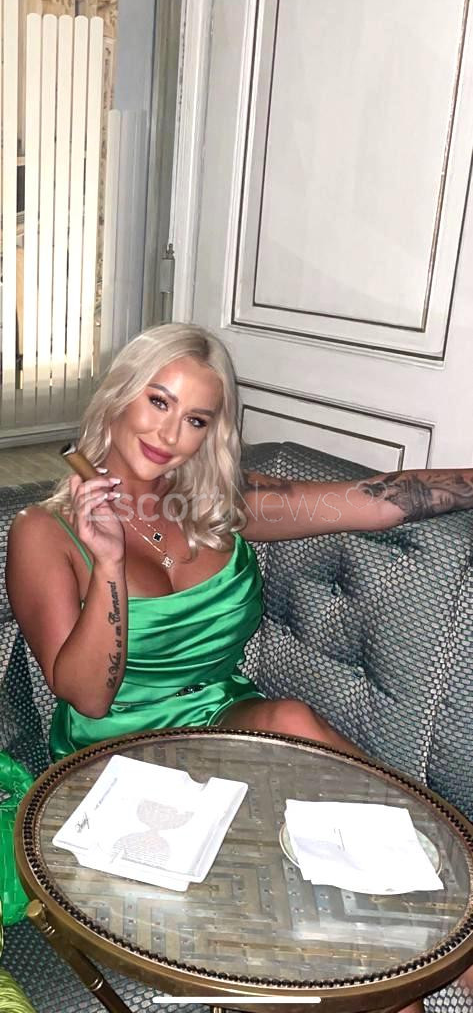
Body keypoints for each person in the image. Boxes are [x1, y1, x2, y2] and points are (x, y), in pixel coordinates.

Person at [6, 323, 473, 1013]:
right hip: (114, 757)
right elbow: (85, 696)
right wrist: (107, 564)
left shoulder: (216, 505)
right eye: (158, 401)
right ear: (119, 396)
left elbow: (378, 499)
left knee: (292, 721)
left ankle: (445, 917)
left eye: (196, 418)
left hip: (224, 722)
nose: (171, 433)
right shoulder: (42, 532)